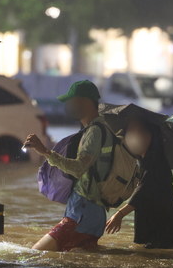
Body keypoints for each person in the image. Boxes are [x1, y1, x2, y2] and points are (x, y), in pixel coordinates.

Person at [25, 80, 112, 252]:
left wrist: (45, 152)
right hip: (91, 214)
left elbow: (79, 168)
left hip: (82, 215)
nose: (69, 106)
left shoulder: (94, 132)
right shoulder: (98, 129)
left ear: (85, 102)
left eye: (72, 102)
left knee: (35, 254)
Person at [105, 119, 173, 249]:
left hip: (162, 234)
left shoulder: (156, 164)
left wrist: (119, 215)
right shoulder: (146, 162)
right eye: (130, 132)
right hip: (160, 233)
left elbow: (142, 193)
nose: (133, 137)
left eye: (139, 132)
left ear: (151, 136)